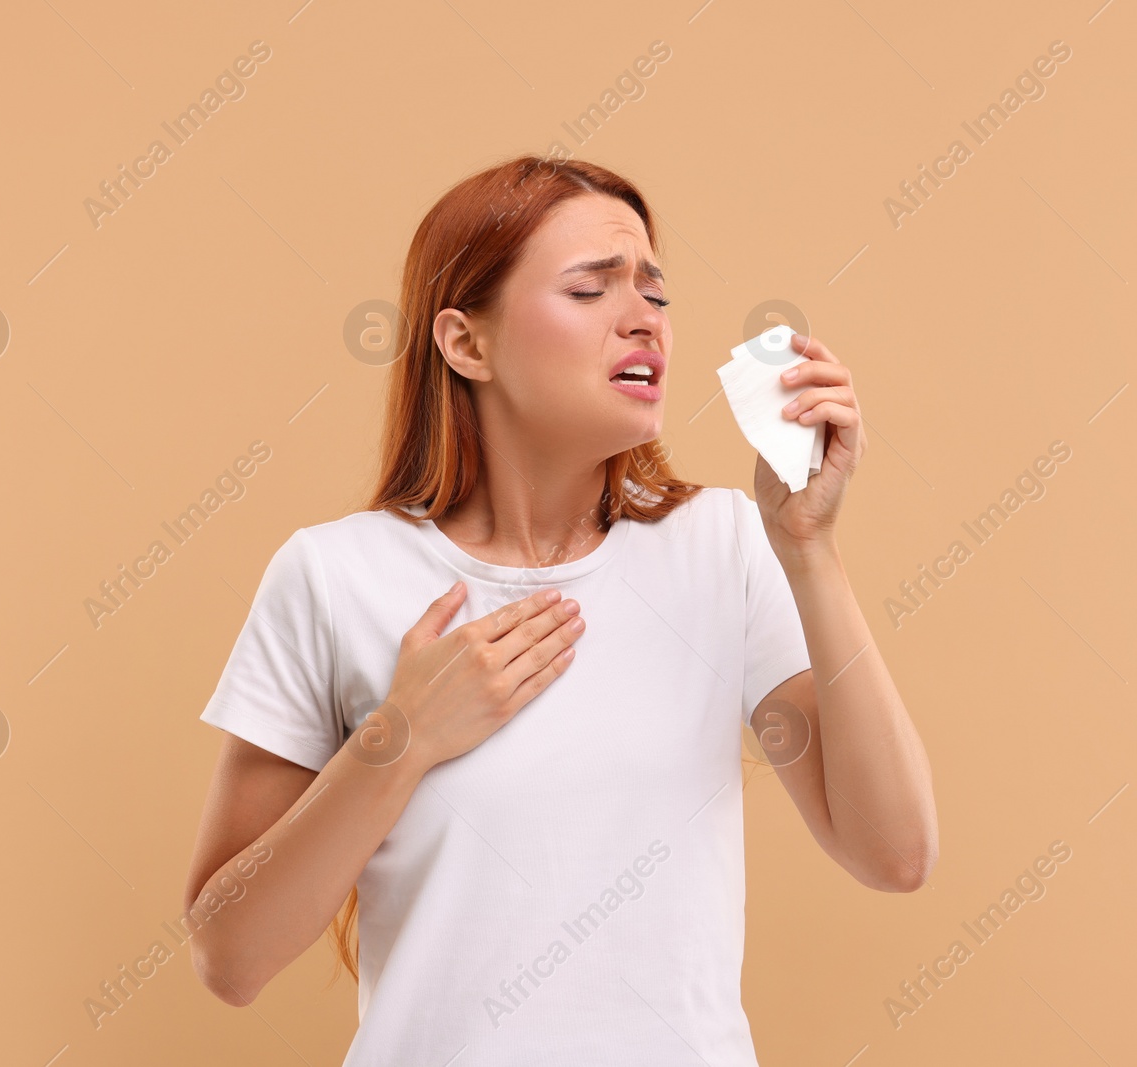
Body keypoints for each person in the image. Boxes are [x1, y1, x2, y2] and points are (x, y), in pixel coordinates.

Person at [182, 154, 938, 1064]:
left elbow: (893, 853)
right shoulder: (335, 574)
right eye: (590, 289)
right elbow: (228, 955)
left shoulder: (725, 546)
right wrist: (403, 736)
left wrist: (808, 549)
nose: (641, 320)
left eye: (654, 294)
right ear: (466, 343)